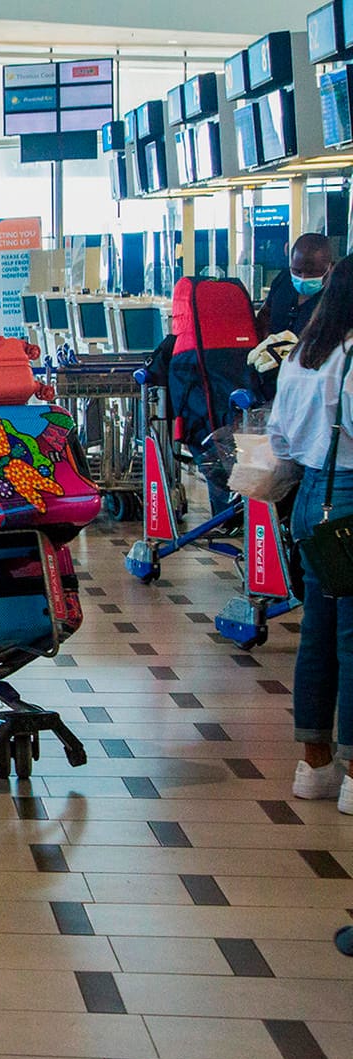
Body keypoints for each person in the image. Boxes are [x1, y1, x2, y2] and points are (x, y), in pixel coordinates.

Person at [267, 257, 353, 813]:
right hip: (348, 502)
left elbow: (279, 437)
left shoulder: (304, 353)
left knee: (319, 636)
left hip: (309, 504)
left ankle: (315, 765)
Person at [259, 233, 335, 339]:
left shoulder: (339, 296)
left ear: (330, 268)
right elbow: (265, 313)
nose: (303, 277)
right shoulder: (283, 280)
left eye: (312, 272)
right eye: (297, 271)